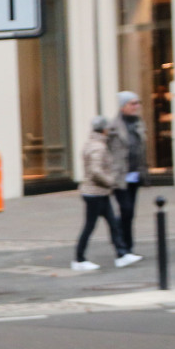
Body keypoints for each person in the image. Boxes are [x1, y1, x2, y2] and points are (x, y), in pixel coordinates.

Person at [73, 117, 130, 270]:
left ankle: (122, 254)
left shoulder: (91, 144)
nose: (109, 131)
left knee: (113, 224)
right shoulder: (99, 147)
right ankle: (79, 259)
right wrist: (110, 181)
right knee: (90, 226)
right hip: (95, 193)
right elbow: (95, 171)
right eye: (108, 128)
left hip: (98, 193)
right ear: (103, 129)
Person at [109, 91, 148, 266]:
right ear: (123, 106)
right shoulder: (113, 126)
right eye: (132, 103)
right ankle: (122, 246)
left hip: (135, 174)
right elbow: (106, 151)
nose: (136, 106)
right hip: (119, 176)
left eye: (137, 103)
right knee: (125, 209)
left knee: (130, 212)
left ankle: (128, 248)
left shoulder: (139, 124)